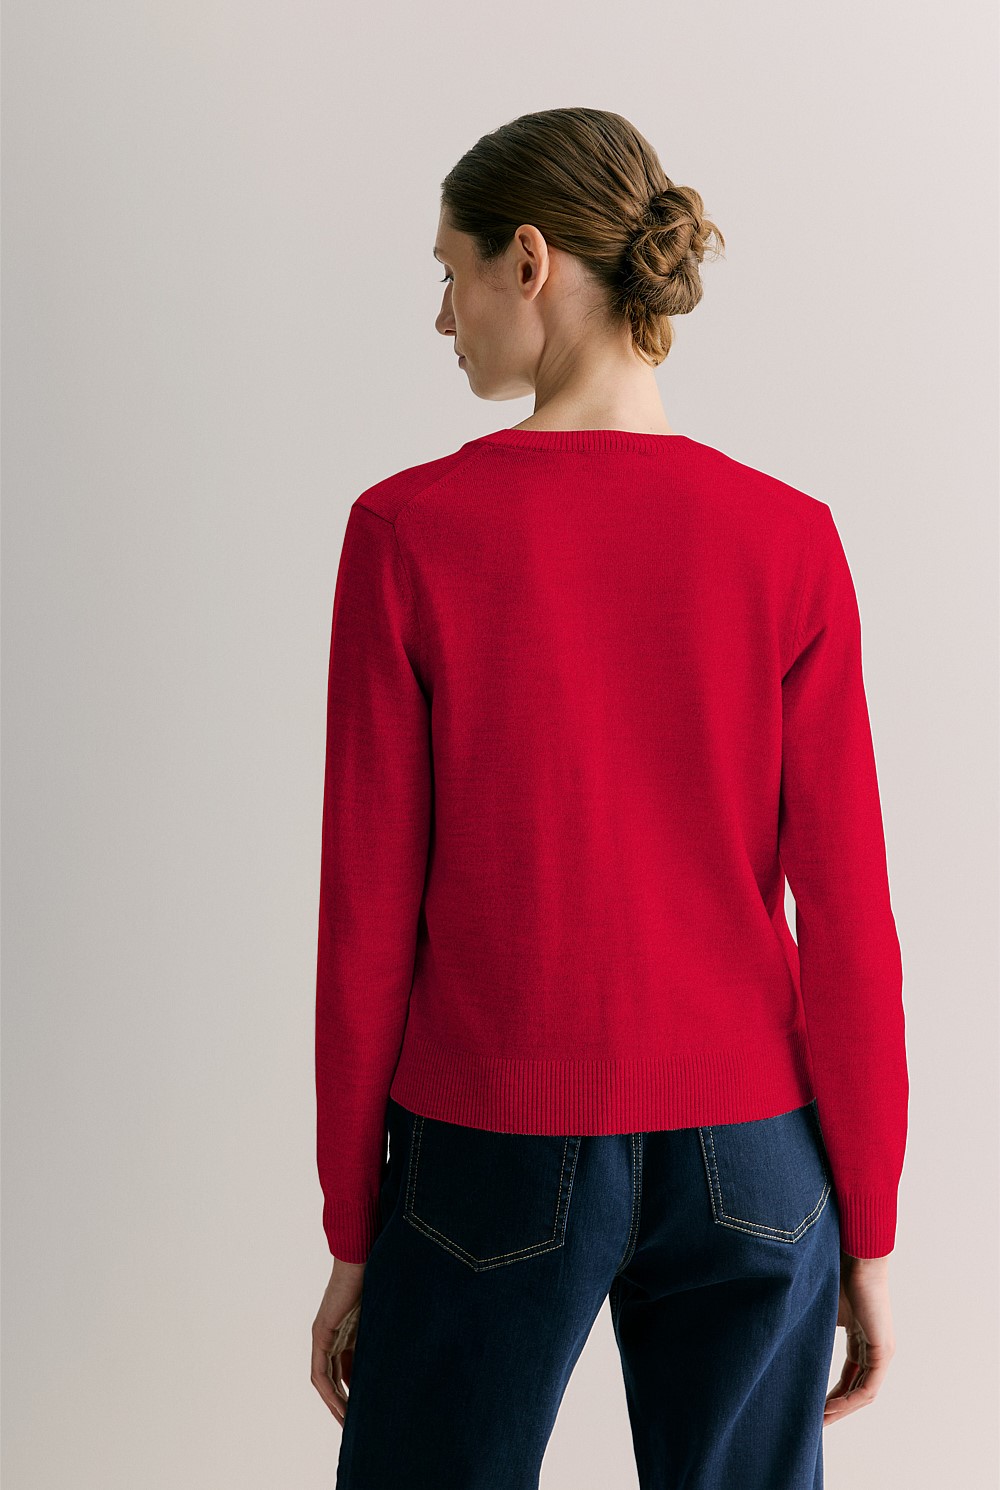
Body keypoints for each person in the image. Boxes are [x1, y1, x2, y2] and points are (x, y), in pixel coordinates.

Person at [309, 107, 907, 1488]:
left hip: (490, 1138)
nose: (442, 315)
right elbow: (851, 916)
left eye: (450, 271)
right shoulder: (787, 540)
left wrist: (353, 1225)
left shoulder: (408, 534)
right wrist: (868, 1228)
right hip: (754, 1153)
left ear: (529, 262)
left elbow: (365, 921)